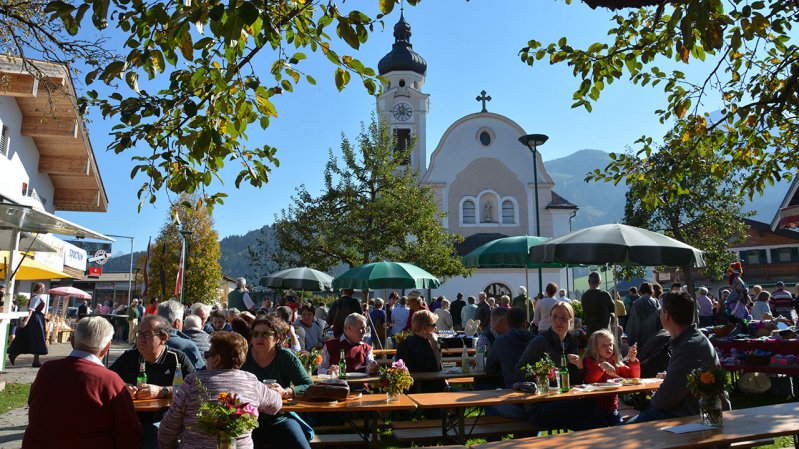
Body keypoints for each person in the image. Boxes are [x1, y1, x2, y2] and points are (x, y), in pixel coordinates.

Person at [24, 317, 142, 449]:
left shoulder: (46, 370)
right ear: (106, 347)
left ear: (73, 341)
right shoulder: (109, 380)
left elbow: (32, 403)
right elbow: (130, 431)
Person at [158, 332, 284, 449]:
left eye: (207, 355)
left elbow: (168, 428)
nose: (206, 359)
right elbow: (275, 405)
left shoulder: (193, 381)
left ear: (217, 359)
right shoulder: (251, 381)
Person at [628, 292, 728, 423]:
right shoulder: (692, 339)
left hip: (694, 420)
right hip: (693, 414)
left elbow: (665, 400)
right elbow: (683, 381)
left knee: (621, 432)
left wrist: (653, 397)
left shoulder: (689, 346)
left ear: (667, 315)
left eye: (661, 311)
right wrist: (669, 376)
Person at [514, 302, 606, 430]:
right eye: (555, 317)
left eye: (563, 318)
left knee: (588, 417)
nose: (558, 321)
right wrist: (545, 373)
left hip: (563, 400)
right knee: (583, 410)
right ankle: (609, 433)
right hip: (540, 405)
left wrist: (580, 367)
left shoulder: (572, 343)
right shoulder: (540, 342)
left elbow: (574, 382)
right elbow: (519, 370)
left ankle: (606, 434)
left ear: (571, 321)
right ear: (550, 319)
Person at [109, 315, 196, 449]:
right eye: (139, 334)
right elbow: (108, 380)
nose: (140, 339)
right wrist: (122, 387)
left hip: (163, 419)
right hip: (130, 417)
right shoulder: (129, 357)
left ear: (164, 338)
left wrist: (162, 391)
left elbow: (194, 388)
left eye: (147, 334)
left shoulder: (177, 359)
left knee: (151, 434)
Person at [238, 315, 315, 449]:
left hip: (279, 419)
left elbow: (309, 385)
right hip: (247, 420)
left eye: (265, 334)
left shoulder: (285, 357)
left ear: (277, 338)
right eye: (255, 334)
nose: (259, 338)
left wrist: (286, 392)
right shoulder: (242, 357)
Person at [578, 329, 640, 425]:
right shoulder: (589, 361)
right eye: (604, 345)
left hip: (611, 409)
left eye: (610, 344)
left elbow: (633, 377)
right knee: (603, 430)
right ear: (595, 348)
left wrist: (632, 360)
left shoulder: (614, 361)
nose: (609, 348)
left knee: (620, 429)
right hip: (593, 410)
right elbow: (590, 380)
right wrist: (602, 366)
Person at [486, 307, 536, 389]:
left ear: (507, 323)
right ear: (525, 323)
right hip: (534, 388)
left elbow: (489, 367)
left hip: (511, 389)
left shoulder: (501, 341)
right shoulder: (535, 339)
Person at [395, 310, 443, 391]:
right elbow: (436, 368)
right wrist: (435, 347)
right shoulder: (427, 344)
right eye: (433, 325)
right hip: (425, 388)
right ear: (424, 327)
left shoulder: (404, 343)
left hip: (411, 387)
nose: (435, 328)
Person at [8, 282, 48, 367]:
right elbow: (31, 310)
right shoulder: (36, 297)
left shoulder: (37, 297)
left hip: (37, 318)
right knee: (34, 338)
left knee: (34, 339)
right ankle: (14, 354)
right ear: (38, 288)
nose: (44, 289)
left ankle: (35, 361)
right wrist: (26, 321)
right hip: (35, 320)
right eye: (42, 288)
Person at [157, 299, 205, 369]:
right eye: (182, 320)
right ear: (177, 323)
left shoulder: (145, 341)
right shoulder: (188, 346)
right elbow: (200, 373)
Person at [626, 282, 661, 348]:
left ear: (640, 291)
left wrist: (631, 341)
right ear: (651, 291)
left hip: (641, 338)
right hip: (655, 337)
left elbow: (633, 324)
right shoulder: (656, 302)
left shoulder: (636, 303)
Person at [581, 271, 616, 337]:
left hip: (591, 331)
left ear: (588, 281)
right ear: (600, 282)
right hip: (604, 331)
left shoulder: (584, 296)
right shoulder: (604, 294)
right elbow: (614, 309)